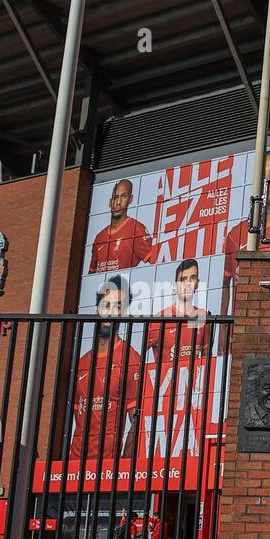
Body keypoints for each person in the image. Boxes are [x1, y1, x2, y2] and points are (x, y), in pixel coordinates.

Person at [69, 277, 144, 462]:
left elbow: (137, 421)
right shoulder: (81, 363)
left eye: (117, 307)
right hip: (73, 467)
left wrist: (124, 467)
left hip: (107, 470)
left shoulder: (131, 359)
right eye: (106, 305)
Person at [222, 148, 270, 313]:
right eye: (261, 176)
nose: (266, 182)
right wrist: (223, 336)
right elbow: (225, 286)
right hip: (241, 330)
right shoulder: (236, 234)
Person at [88, 179, 154, 272]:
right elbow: (91, 273)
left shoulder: (136, 229)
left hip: (124, 285)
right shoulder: (99, 237)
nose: (118, 202)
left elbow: (156, 262)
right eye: (115, 197)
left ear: (130, 199)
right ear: (110, 202)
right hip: (103, 285)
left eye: (123, 196)